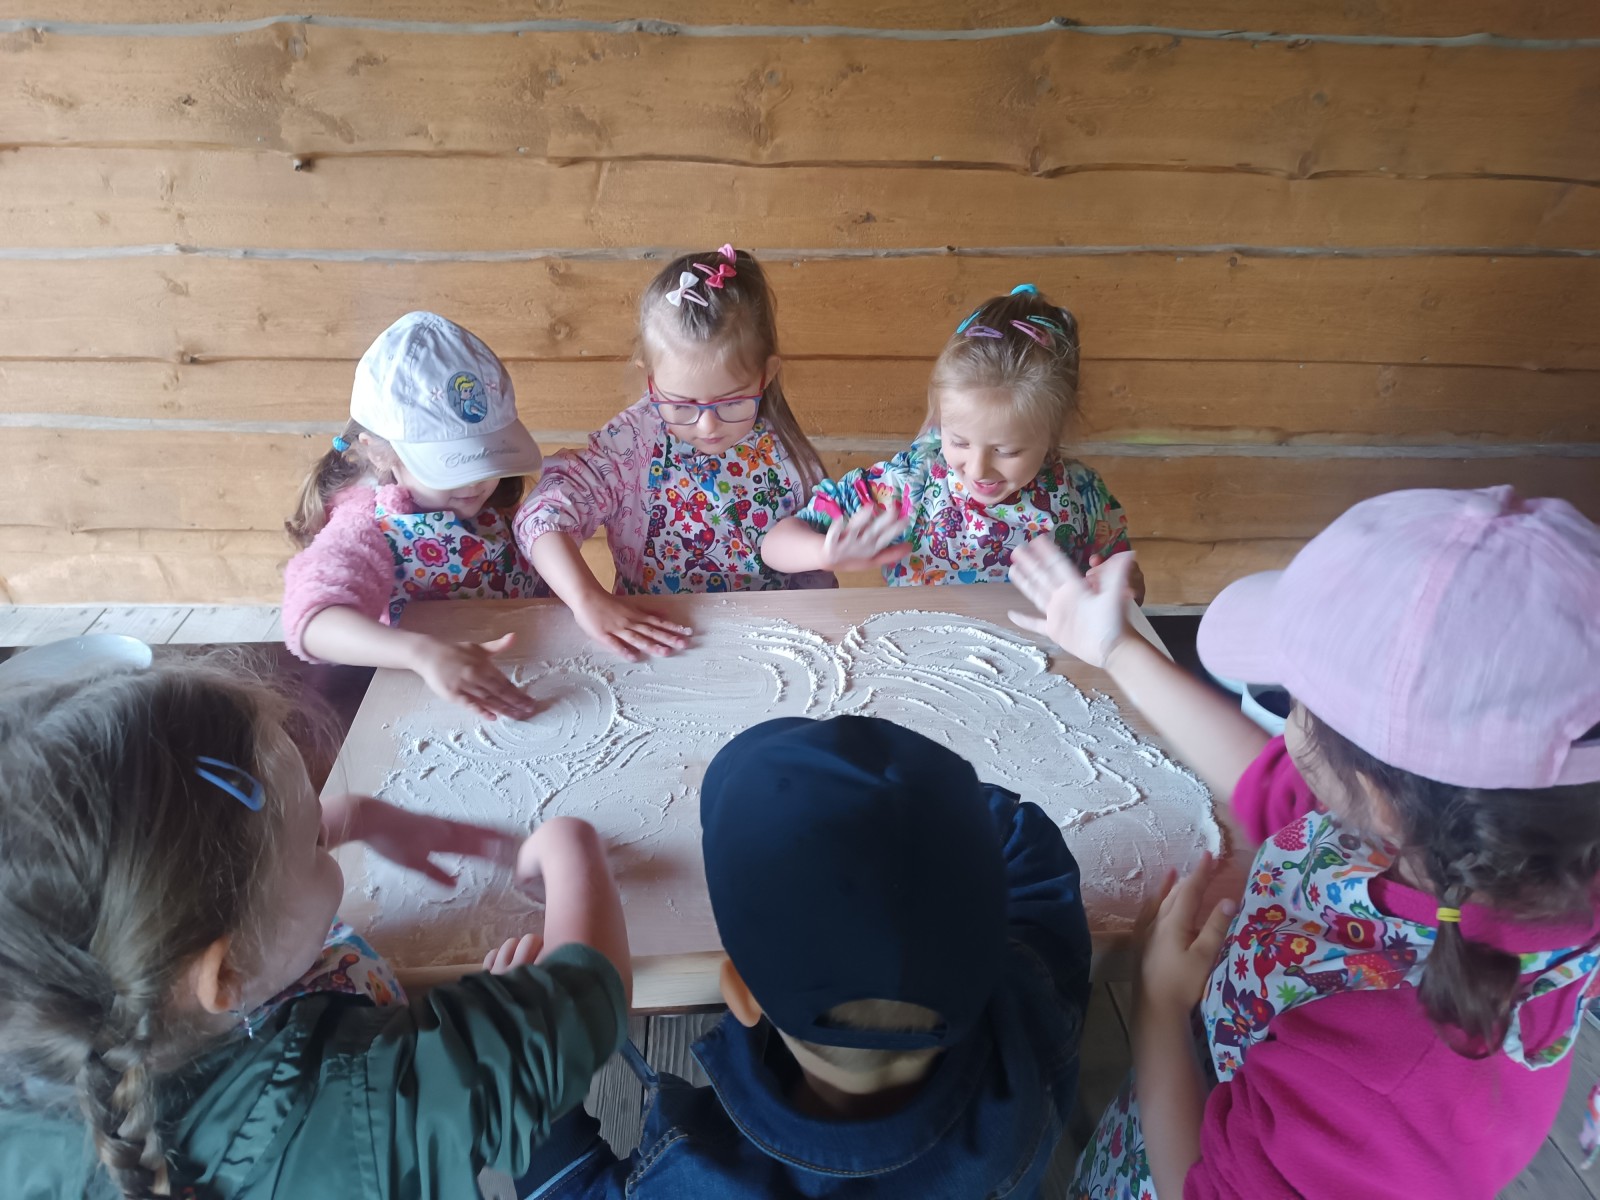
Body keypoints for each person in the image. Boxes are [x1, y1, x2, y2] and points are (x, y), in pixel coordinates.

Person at [1007, 485, 1600, 1198]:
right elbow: (1276, 789)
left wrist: (1158, 1006)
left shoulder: (1396, 1087)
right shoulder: (1517, 840)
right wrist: (1114, 647)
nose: (1287, 727)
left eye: (1294, 703)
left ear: (1377, 799)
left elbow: (1200, 1186)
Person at [0, 661, 632, 1198]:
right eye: (314, 843)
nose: (327, 836)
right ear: (225, 974)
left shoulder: (63, 1022)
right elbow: (585, 1005)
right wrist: (571, 849)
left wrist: (356, 818)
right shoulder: (367, 1105)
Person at [518, 714, 1093, 1197]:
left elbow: (565, 1188)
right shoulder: (1029, 1018)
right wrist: (913, 822)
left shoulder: (698, 1179)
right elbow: (1030, 850)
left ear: (740, 994)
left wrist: (531, 1071)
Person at [514, 244, 832, 661]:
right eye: (681, 405)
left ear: (765, 375)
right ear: (651, 380)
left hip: (764, 643)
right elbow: (542, 516)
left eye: (732, 402)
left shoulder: (787, 456)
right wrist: (586, 599)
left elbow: (810, 582)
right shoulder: (632, 444)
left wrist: (830, 551)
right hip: (656, 642)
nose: (707, 426)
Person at [761, 283, 1141, 600]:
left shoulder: (1083, 496)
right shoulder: (908, 485)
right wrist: (823, 553)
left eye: (1006, 451)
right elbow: (775, 544)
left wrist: (1124, 587)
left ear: (1053, 433)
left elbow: (1125, 583)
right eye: (958, 441)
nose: (977, 468)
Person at [284, 311, 544, 720]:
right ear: (378, 451)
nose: (476, 482)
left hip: (525, 666)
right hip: (425, 697)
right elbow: (311, 621)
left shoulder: (496, 503)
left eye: (486, 458)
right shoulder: (364, 526)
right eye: (451, 465)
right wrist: (422, 653)